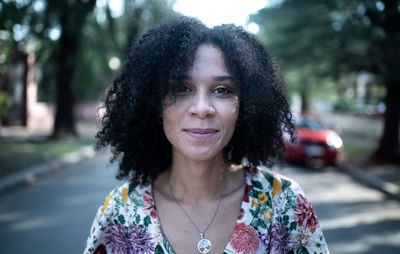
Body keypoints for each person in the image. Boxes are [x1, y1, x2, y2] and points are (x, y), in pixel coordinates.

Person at [84, 16, 329, 254]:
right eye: (181, 88)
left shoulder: (284, 203)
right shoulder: (121, 211)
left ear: (244, 106)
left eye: (222, 90)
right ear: (155, 104)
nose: (202, 108)